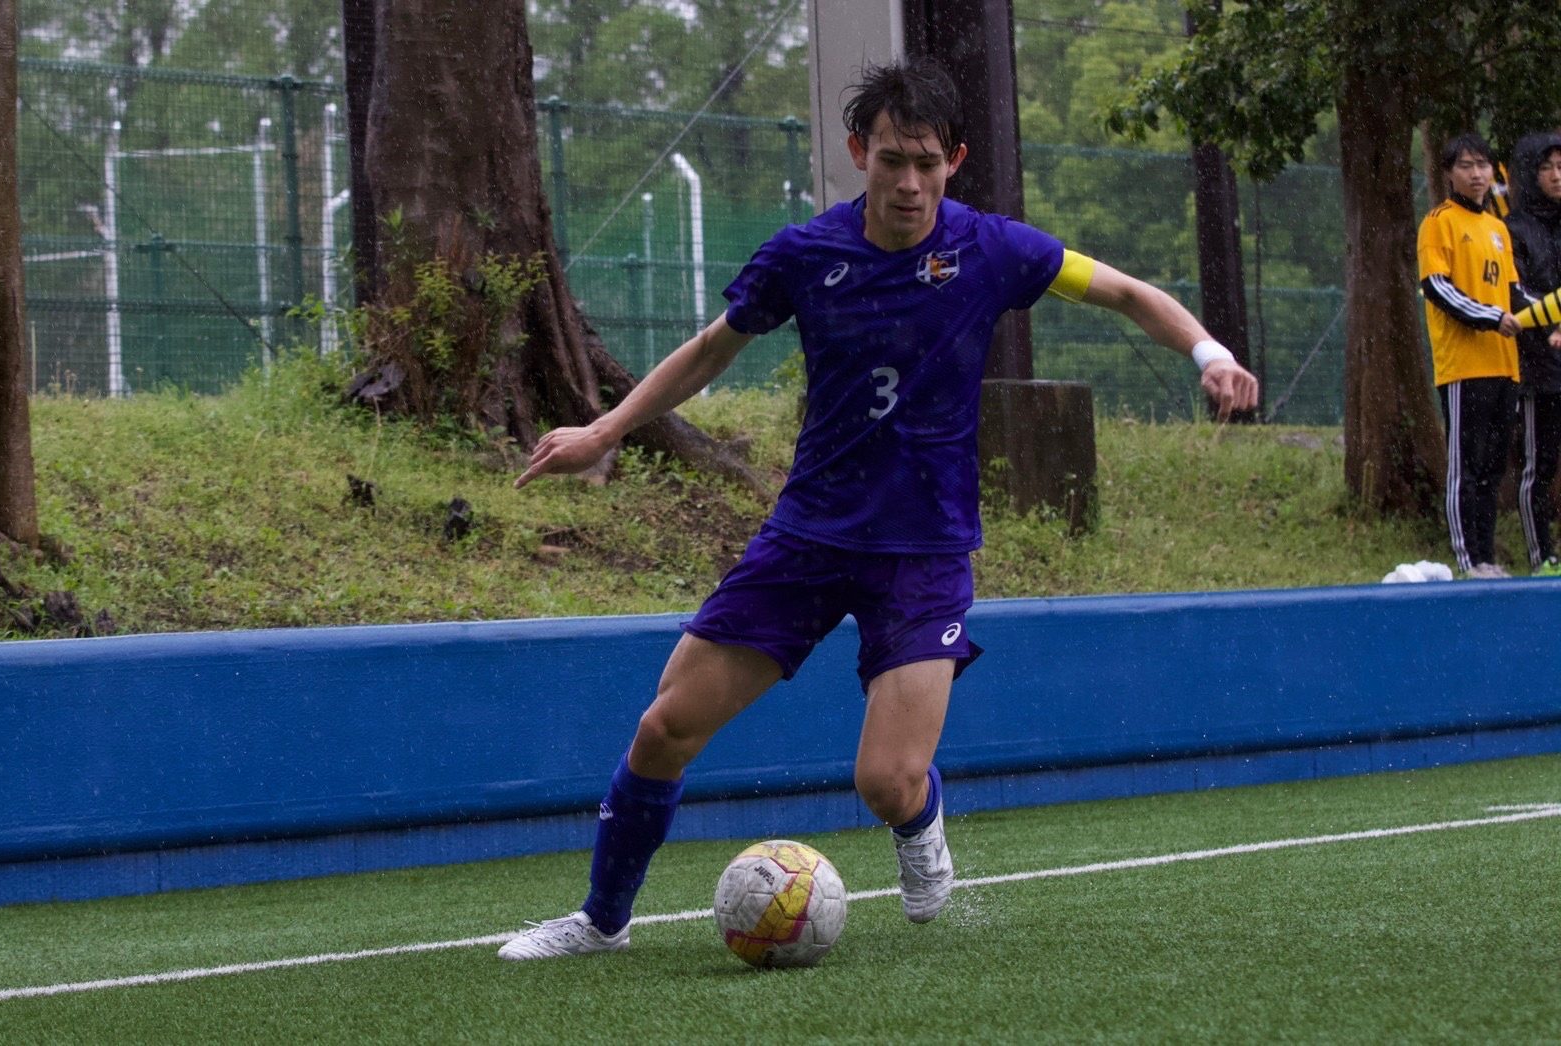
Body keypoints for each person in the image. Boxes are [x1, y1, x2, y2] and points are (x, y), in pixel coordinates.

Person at [497, 58, 1258, 962]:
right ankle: (601, 922)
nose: (909, 183)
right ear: (859, 152)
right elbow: (710, 350)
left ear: (955, 162)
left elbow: (1129, 293)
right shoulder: (804, 254)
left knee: (887, 784)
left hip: (923, 552)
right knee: (666, 728)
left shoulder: (994, 250)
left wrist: (1209, 353)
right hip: (806, 536)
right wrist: (605, 429)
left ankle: (920, 825)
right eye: (892, 159)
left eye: (928, 164)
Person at [1418, 133, 1523, 579]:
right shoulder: (1438, 222)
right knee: (1466, 465)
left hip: (1505, 364)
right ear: (1449, 173)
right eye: (1466, 166)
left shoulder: (1498, 228)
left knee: (1494, 467)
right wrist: (1491, 317)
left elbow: (1514, 294)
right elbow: (1437, 288)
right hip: (1463, 366)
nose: (1476, 174)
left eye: (1482, 165)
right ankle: (1468, 559)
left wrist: (1546, 319)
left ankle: (1487, 557)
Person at [1505, 131, 1561, 576]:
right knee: (1538, 466)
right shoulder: (1512, 229)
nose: (1557, 176)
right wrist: (1553, 325)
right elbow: (1515, 293)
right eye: (1546, 168)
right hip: (1538, 367)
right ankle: (1542, 557)